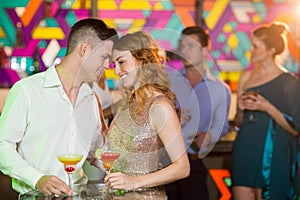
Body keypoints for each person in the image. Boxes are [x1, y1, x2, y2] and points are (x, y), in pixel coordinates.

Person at [0, 18, 117, 196]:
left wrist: (125, 171)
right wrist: (37, 179)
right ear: (84, 49)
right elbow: (3, 145)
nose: (107, 65)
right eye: (104, 57)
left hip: (79, 195)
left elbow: (96, 151)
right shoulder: (27, 90)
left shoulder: (91, 100)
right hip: (33, 196)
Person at [103, 31, 190, 199]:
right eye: (115, 65)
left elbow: (183, 167)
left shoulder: (160, 106)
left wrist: (134, 182)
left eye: (121, 62)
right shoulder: (126, 103)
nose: (117, 71)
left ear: (142, 60)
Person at [231, 22, 300, 200]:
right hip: (245, 148)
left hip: (272, 153)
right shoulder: (246, 77)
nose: (250, 51)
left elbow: (295, 129)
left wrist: (267, 107)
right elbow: (239, 122)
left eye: (255, 46)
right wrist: (240, 111)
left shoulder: (289, 82)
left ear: (270, 50)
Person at [164, 26, 231, 200]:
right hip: (164, 163)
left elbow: (222, 126)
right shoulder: (168, 81)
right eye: (182, 46)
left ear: (205, 50)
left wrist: (210, 136)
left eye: (190, 46)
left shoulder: (220, 89)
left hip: (193, 163)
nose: (184, 50)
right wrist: (170, 116)